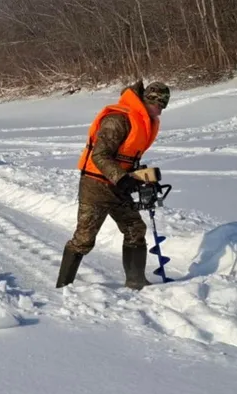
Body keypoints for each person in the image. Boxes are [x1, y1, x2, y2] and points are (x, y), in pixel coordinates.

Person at [55, 80, 170, 290]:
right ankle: (63, 286)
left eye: (163, 105)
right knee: (84, 239)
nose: (160, 110)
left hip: (118, 185)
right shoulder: (117, 119)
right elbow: (100, 155)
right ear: (147, 100)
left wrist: (141, 177)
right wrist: (123, 178)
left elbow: (126, 157)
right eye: (157, 104)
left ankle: (136, 281)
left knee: (135, 228)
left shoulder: (144, 121)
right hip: (95, 185)